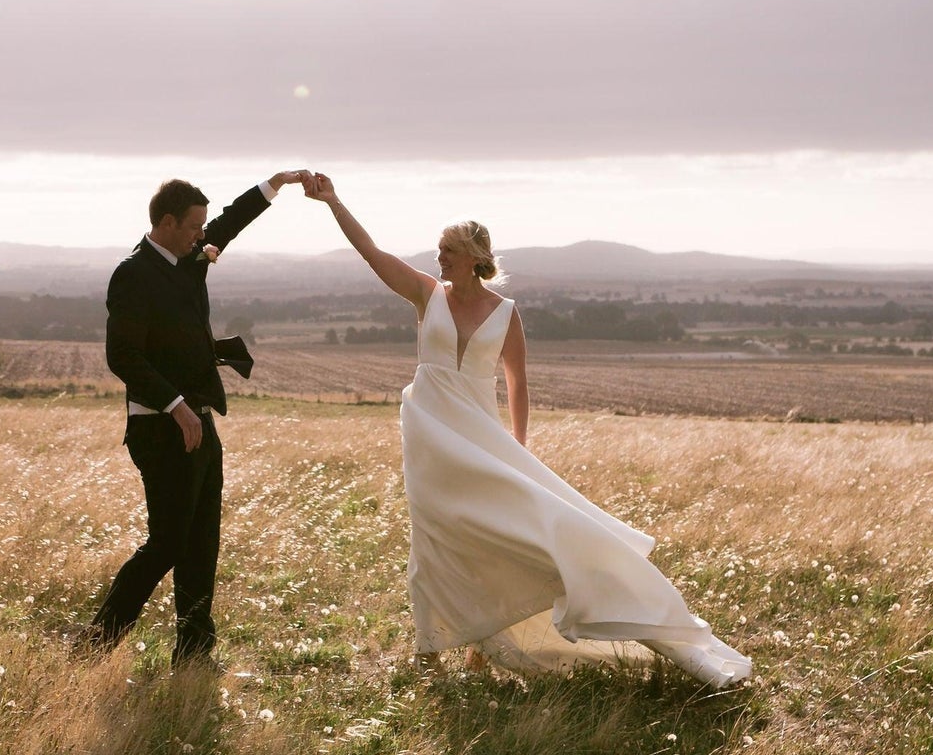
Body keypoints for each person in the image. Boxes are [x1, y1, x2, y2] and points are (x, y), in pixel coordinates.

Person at [302, 174, 752, 688]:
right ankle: (429, 651)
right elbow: (371, 251)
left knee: (504, 539)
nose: (439, 258)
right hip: (429, 438)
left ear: (474, 255)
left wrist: (517, 448)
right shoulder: (426, 295)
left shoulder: (505, 314)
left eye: (448, 250)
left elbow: (518, 383)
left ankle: (488, 643)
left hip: (482, 442)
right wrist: (333, 202)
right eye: (438, 249)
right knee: (433, 541)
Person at [86, 170, 307, 663]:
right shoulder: (133, 274)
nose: (201, 236)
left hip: (200, 423)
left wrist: (274, 185)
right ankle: (95, 644)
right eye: (192, 227)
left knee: (202, 542)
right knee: (166, 543)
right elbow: (123, 356)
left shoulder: (189, 261)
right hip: (158, 427)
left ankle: (193, 653)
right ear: (166, 222)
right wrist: (174, 405)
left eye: (202, 228)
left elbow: (228, 225)